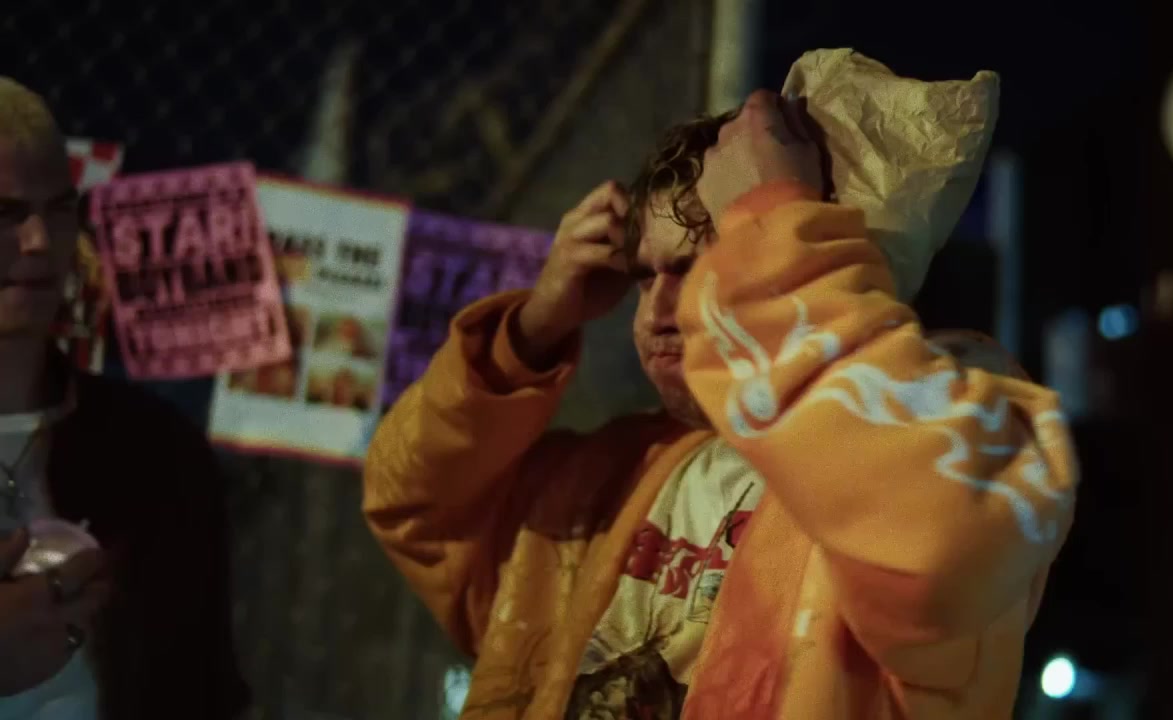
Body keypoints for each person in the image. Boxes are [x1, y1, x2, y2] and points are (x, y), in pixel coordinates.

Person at [365, 90, 1078, 718]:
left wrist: (775, 222)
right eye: (644, 276)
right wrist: (532, 329)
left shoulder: (939, 427)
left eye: (699, 266)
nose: (657, 312)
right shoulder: (606, 477)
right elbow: (413, 503)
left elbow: (945, 541)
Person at [0, 77, 248, 719]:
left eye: (59, 210)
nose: (39, 241)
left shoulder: (158, 458)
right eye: (6, 213)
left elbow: (204, 692)